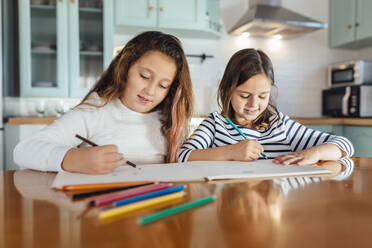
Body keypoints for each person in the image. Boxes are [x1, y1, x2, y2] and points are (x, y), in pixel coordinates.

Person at [14, 31, 194, 174]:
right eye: (144, 76)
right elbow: (23, 150)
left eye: (163, 85)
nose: (150, 91)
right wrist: (73, 159)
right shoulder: (96, 110)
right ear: (125, 68)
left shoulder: (169, 119)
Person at [178, 48, 353, 165]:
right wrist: (230, 152)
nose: (254, 104)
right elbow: (181, 156)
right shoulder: (215, 124)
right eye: (244, 95)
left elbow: (344, 145)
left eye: (263, 96)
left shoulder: (279, 125)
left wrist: (315, 153)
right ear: (227, 90)